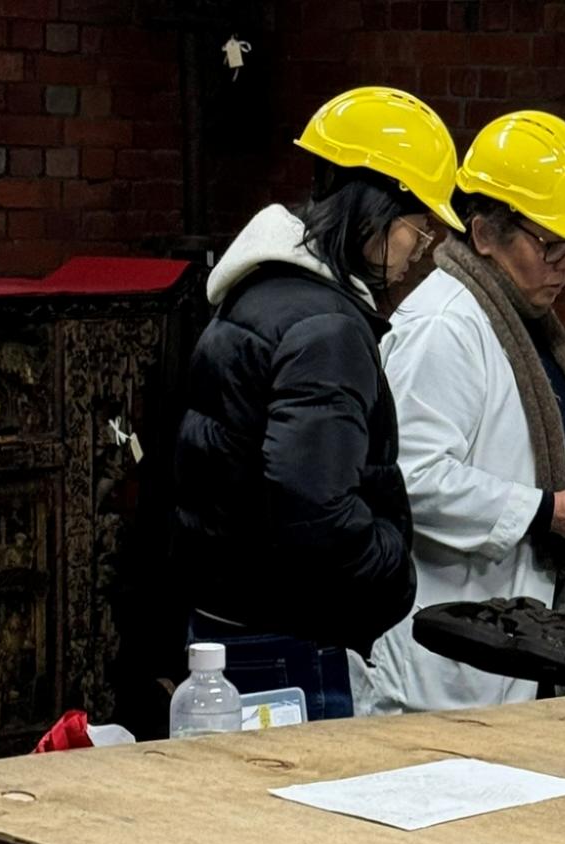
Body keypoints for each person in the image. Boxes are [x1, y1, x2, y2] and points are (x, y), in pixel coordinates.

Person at [170, 86, 465, 721]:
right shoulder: (326, 328)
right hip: (285, 642)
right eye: (420, 224)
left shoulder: (261, 295)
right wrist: (391, 567)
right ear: (374, 210)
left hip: (231, 632)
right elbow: (315, 507)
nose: (423, 247)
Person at [357, 110, 565, 714]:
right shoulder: (444, 326)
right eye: (551, 244)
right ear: (483, 234)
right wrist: (546, 512)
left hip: (515, 639)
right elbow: (409, 478)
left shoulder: (524, 320)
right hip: (445, 656)